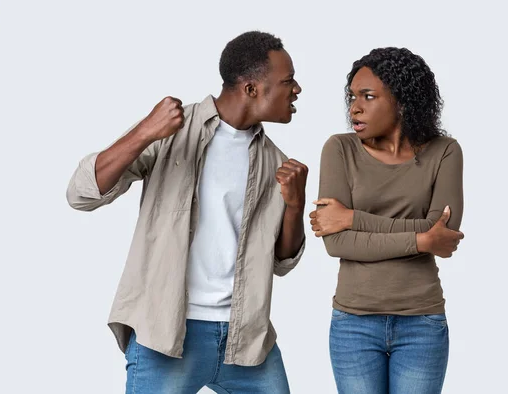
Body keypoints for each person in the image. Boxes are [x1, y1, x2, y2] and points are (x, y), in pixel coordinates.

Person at [67, 31, 306, 394]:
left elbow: (283, 262)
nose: (298, 89)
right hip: (167, 335)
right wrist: (146, 131)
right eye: (287, 81)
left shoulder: (277, 162)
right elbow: (81, 194)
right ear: (251, 88)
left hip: (247, 339)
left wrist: (295, 206)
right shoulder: (172, 131)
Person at [309, 47, 464, 394]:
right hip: (354, 324)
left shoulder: (444, 151)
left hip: (421, 323)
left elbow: (444, 235)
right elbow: (337, 243)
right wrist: (421, 240)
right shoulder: (339, 149)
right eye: (352, 97)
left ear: (403, 101)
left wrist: (352, 218)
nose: (354, 108)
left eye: (368, 96)